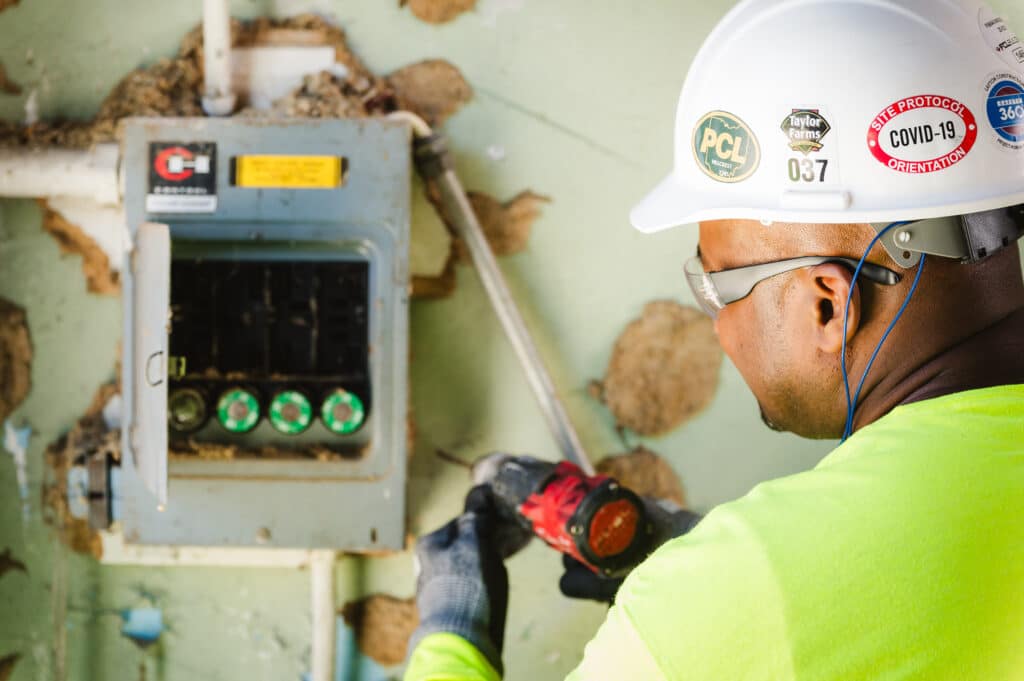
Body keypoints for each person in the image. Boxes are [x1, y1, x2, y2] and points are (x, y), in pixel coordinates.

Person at [403, 0, 1024, 678]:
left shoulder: (738, 591)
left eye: (719, 286)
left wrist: (449, 633)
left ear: (828, 304)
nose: (716, 323)